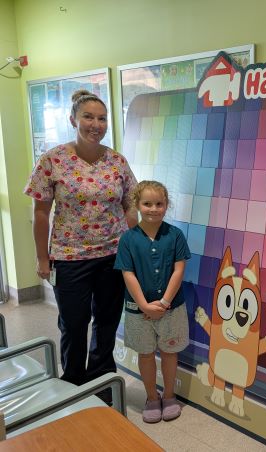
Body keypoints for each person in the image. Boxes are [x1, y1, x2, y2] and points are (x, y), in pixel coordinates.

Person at [24, 89, 138, 402]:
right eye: (88, 117)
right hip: (69, 256)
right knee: (73, 324)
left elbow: (130, 205)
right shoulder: (54, 160)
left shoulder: (117, 161)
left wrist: (135, 248)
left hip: (113, 256)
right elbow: (40, 213)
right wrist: (42, 259)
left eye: (102, 118)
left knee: (106, 322)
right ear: (73, 119)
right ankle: (72, 385)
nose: (96, 124)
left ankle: (101, 384)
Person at [114, 180, 190, 423]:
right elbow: (128, 274)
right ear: (137, 205)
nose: (153, 208)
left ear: (166, 205)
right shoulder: (128, 239)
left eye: (159, 204)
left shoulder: (175, 235)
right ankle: (151, 397)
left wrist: (165, 303)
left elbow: (179, 270)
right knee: (145, 354)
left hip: (172, 309)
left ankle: (169, 396)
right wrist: (146, 305)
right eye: (147, 203)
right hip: (139, 311)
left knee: (169, 352)